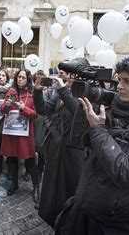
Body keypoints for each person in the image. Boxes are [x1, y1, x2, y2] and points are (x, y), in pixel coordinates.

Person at [56, 53, 129, 234]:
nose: (119, 86)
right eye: (119, 79)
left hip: (117, 222)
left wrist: (98, 129)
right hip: (85, 206)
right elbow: (81, 142)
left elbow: (126, 172)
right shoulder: (115, 109)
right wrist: (87, 110)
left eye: (128, 81)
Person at [33, 60, 91, 227]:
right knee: (52, 190)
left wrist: (64, 90)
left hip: (74, 154)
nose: (68, 79)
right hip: (55, 148)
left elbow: (80, 116)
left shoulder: (88, 93)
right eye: (68, 75)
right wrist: (37, 92)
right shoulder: (62, 92)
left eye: (72, 76)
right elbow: (44, 110)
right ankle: (55, 221)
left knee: (70, 191)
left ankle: (69, 224)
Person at [0, 69, 40, 207]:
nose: (20, 79)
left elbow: (36, 115)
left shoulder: (33, 94)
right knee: (11, 159)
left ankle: (36, 187)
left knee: (30, 161)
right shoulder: (11, 92)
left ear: (28, 79)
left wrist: (24, 109)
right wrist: (7, 105)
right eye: (18, 77)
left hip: (25, 134)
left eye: (23, 77)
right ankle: (14, 184)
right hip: (11, 132)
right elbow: (2, 110)